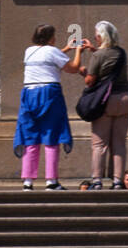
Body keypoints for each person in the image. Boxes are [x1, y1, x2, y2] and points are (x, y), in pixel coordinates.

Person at [14, 23, 84, 190]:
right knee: (51, 135)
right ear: (50, 37)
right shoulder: (52, 52)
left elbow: (48, 57)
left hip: (29, 94)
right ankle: (51, 180)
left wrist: (66, 48)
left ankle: (28, 181)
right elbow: (73, 69)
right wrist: (78, 51)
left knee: (30, 137)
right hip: (49, 94)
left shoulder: (29, 51)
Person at [81, 19, 128, 190]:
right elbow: (109, 60)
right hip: (126, 99)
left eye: (97, 36)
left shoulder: (98, 56)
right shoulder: (122, 53)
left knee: (99, 144)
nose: (95, 38)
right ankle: (117, 181)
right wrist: (95, 50)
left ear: (100, 36)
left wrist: (83, 71)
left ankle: (97, 180)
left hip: (106, 101)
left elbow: (90, 81)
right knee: (119, 143)